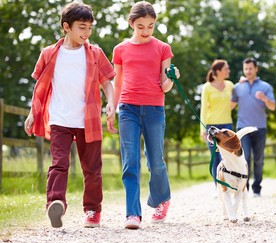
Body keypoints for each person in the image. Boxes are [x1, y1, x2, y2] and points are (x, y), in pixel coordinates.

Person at [24, 1, 116, 228]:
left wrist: (111, 102)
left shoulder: (95, 53)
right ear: (67, 27)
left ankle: (93, 210)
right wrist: (32, 113)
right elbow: (40, 88)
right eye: (82, 27)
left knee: (92, 169)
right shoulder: (49, 53)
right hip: (60, 119)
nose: (87, 33)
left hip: (89, 119)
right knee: (59, 163)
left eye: (90, 28)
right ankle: (56, 203)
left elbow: (107, 82)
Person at [111, 1, 180, 230]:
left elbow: (165, 85)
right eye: (140, 26)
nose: (146, 31)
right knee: (130, 161)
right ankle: (133, 214)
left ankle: (161, 199)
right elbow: (118, 82)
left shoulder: (163, 48)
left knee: (156, 161)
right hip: (128, 109)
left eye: (150, 26)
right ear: (131, 23)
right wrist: (111, 107)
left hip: (154, 109)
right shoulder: (120, 49)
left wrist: (173, 77)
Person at [231, 58, 276, 197]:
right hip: (242, 128)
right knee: (244, 159)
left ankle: (257, 189)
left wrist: (264, 99)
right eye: (246, 69)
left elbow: (273, 107)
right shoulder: (238, 87)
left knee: (258, 159)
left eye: (250, 68)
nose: (248, 71)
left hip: (259, 128)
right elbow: (230, 106)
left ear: (256, 69)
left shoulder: (265, 86)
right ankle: (245, 188)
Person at [200, 60, 234, 187]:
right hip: (211, 127)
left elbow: (236, 98)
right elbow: (203, 109)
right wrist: (203, 129)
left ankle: (228, 184)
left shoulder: (230, 85)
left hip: (227, 125)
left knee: (227, 158)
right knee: (215, 158)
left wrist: (243, 82)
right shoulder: (207, 87)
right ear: (218, 71)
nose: (228, 71)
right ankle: (218, 187)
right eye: (226, 69)